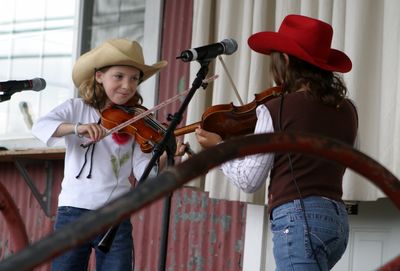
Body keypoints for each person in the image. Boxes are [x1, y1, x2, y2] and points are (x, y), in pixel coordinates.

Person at [195, 14, 358, 270]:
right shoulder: (348, 109)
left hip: (299, 219)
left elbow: (249, 181)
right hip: (336, 221)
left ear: (285, 60)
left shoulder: (277, 109)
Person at [32, 38, 186, 271]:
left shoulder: (137, 120)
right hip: (74, 212)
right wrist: (77, 128)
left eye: (134, 78)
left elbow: (143, 171)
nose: (127, 85)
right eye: (119, 76)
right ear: (99, 76)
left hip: (116, 214)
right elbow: (41, 126)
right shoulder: (76, 108)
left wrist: (166, 157)